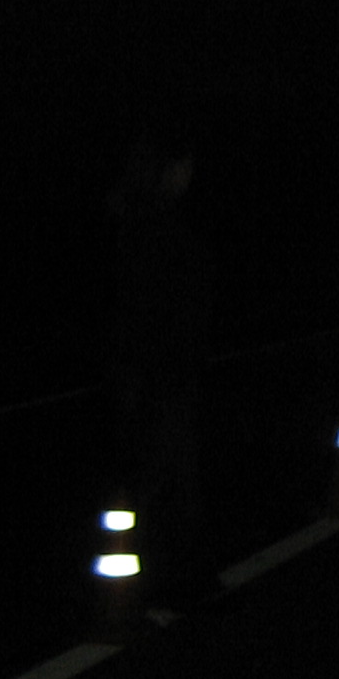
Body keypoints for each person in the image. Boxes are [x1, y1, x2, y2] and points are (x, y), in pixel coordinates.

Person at [100, 118, 216, 612]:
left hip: (143, 370)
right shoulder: (157, 228)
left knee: (149, 474)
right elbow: (165, 307)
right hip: (161, 370)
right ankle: (164, 584)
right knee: (164, 477)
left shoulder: (130, 221)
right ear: (169, 170)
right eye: (183, 168)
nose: (188, 177)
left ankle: (151, 579)